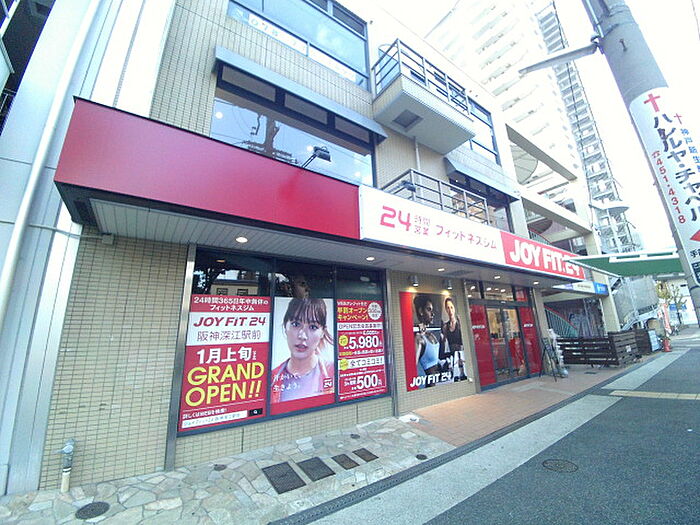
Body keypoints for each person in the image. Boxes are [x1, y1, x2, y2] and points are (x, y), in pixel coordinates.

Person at [271, 298, 334, 403]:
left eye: (313, 327)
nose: (302, 336)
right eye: (296, 324)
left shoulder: (334, 372)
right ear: (285, 327)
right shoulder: (271, 378)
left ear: (323, 332)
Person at [414, 294, 441, 383]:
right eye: (429, 310)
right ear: (421, 311)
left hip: (441, 381)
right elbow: (413, 368)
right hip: (429, 384)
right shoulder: (419, 339)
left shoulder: (431, 335)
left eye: (432, 310)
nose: (432, 314)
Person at [441, 297, 468, 381]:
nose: (450, 310)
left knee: (464, 376)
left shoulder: (459, 323)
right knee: (455, 378)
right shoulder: (445, 326)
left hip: (462, 355)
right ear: (446, 310)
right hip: (452, 357)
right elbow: (444, 345)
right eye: (448, 308)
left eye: (451, 307)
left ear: (454, 308)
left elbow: (465, 339)